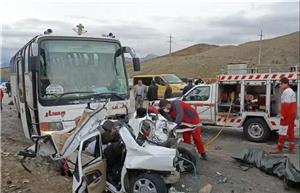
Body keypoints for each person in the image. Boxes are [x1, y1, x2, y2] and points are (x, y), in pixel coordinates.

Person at [270, 77, 297, 154]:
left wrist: (283, 115)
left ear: (286, 83)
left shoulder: (287, 92)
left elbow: (286, 105)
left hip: (287, 115)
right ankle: (291, 148)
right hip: (291, 114)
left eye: (281, 84)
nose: (280, 85)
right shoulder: (290, 91)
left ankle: (279, 148)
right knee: (290, 131)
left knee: (282, 131)